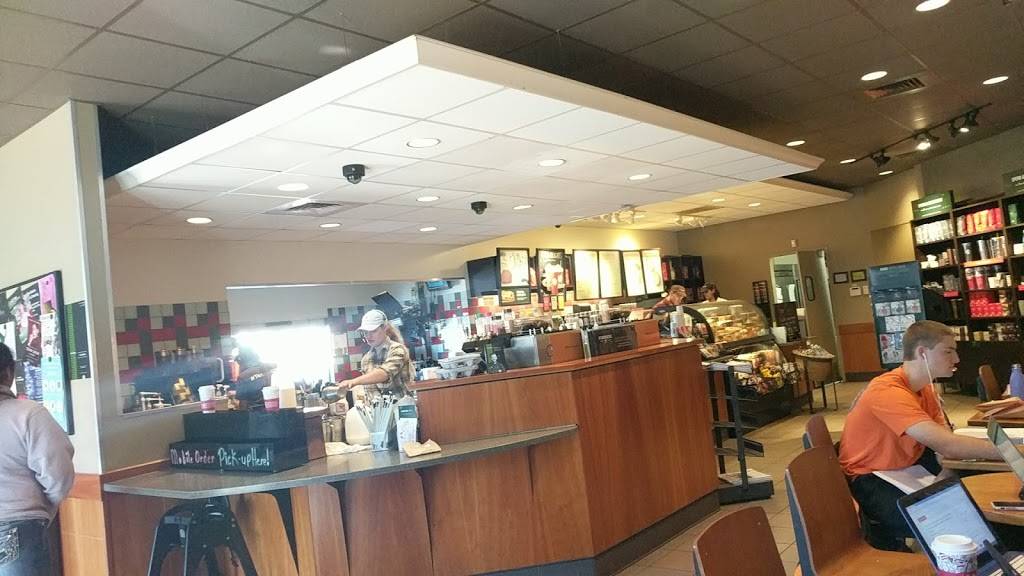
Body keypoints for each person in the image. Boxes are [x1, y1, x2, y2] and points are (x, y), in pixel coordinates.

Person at [839, 320, 1005, 551]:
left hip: (907, 467)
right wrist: (1011, 451)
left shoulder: (925, 388)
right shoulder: (887, 391)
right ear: (922, 353)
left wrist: (946, 473)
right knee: (960, 524)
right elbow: (949, 446)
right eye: (948, 351)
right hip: (870, 478)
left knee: (977, 493)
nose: (957, 359)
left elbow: (944, 446)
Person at [0, 343, 74, 576]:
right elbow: (59, 477)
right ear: (9, 372)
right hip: (19, 528)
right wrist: (43, 509)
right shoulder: (28, 414)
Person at [339, 310, 412, 397]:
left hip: (402, 404)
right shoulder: (366, 360)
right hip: (377, 406)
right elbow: (370, 393)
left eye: (373, 331)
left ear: (384, 328)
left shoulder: (398, 350)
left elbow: (384, 373)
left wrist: (353, 382)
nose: (368, 336)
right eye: (365, 332)